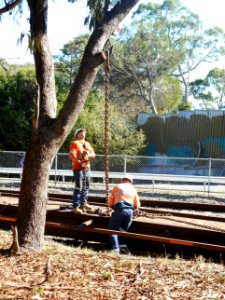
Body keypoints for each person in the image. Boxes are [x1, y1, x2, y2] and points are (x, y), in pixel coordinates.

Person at [108, 174, 141, 255]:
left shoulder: (117, 187)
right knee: (123, 230)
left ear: (122, 180)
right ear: (131, 181)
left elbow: (110, 202)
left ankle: (116, 251)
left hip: (120, 210)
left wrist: (113, 208)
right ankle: (123, 249)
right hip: (130, 212)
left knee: (112, 231)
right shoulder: (133, 189)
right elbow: (138, 205)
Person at [69, 128, 96, 214]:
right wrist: (80, 161)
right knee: (79, 187)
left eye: (83, 132)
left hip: (87, 168)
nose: (82, 134)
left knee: (86, 186)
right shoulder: (75, 143)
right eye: (80, 132)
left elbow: (93, 154)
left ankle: (84, 203)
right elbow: (72, 155)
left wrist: (89, 156)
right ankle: (75, 206)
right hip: (78, 168)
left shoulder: (87, 144)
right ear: (77, 135)